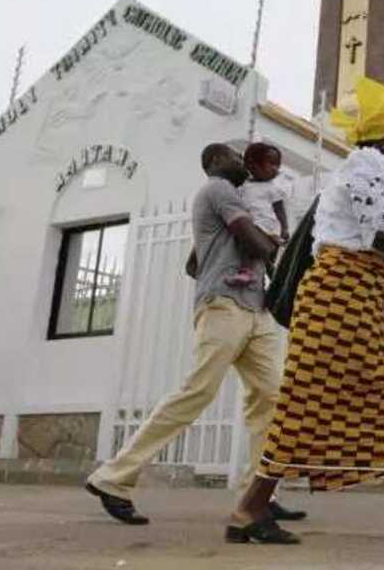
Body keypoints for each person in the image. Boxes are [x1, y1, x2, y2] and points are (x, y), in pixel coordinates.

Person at [227, 77, 384, 545]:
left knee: (353, 404)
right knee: (346, 403)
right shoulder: (368, 164)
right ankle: (249, 510)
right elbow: (380, 235)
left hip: (346, 304)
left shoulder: (365, 170)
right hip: (340, 302)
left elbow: (371, 231)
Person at [85, 143, 304, 525]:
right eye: (234, 156)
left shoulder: (237, 199)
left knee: (271, 399)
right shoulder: (218, 189)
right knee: (197, 392)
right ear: (214, 163)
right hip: (225, 306)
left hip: (254, 308)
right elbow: (255, 243)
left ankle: (259, 496)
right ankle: (112, 478)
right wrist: (273, 241)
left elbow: (192, 263)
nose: (243, 160)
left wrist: (228, 253)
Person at [227, 142, 289, 287]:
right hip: (254, 225)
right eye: (271, 164)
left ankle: (250, 273)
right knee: (251, 250)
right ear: (252, 164)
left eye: (277, 165)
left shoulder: (272, 188)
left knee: (258, 249)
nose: (276, 169)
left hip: (268, 227)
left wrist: (285, 228)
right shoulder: (243, 187)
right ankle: (270, 276)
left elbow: (279, 209)